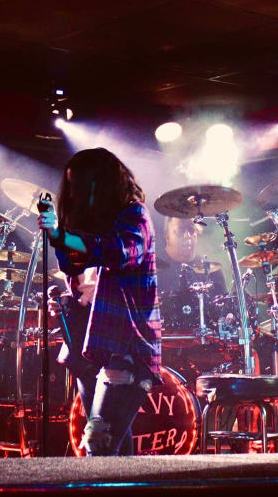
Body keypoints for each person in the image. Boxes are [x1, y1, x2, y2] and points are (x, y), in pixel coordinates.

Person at [38, 147, 160, 456]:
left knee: (99, 441)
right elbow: (73, 267)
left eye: (78, 186)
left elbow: (120, 253)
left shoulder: (135, 216)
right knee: (116, 452)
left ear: (100, 186)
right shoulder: (91, 228)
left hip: (124, 347)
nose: (73, 194)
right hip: (88, 346)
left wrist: (63, 236)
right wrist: (59, 238)